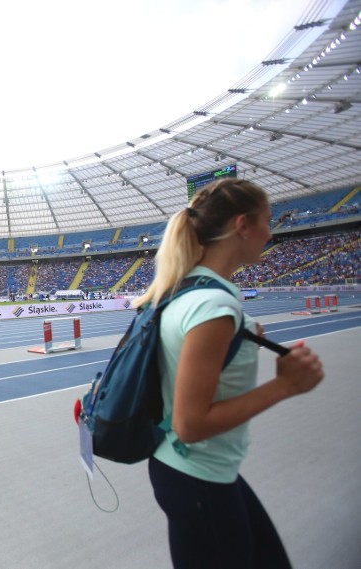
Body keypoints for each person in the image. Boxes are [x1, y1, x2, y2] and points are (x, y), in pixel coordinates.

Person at [136, 178, 325, 569]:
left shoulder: (184, 292)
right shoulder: (214, 307)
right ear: (242, 225)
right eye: (267, 221)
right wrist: (285, 385)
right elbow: (192, 424)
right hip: (198, 474)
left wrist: (238, 338)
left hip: (191, 469)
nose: (270, 233)